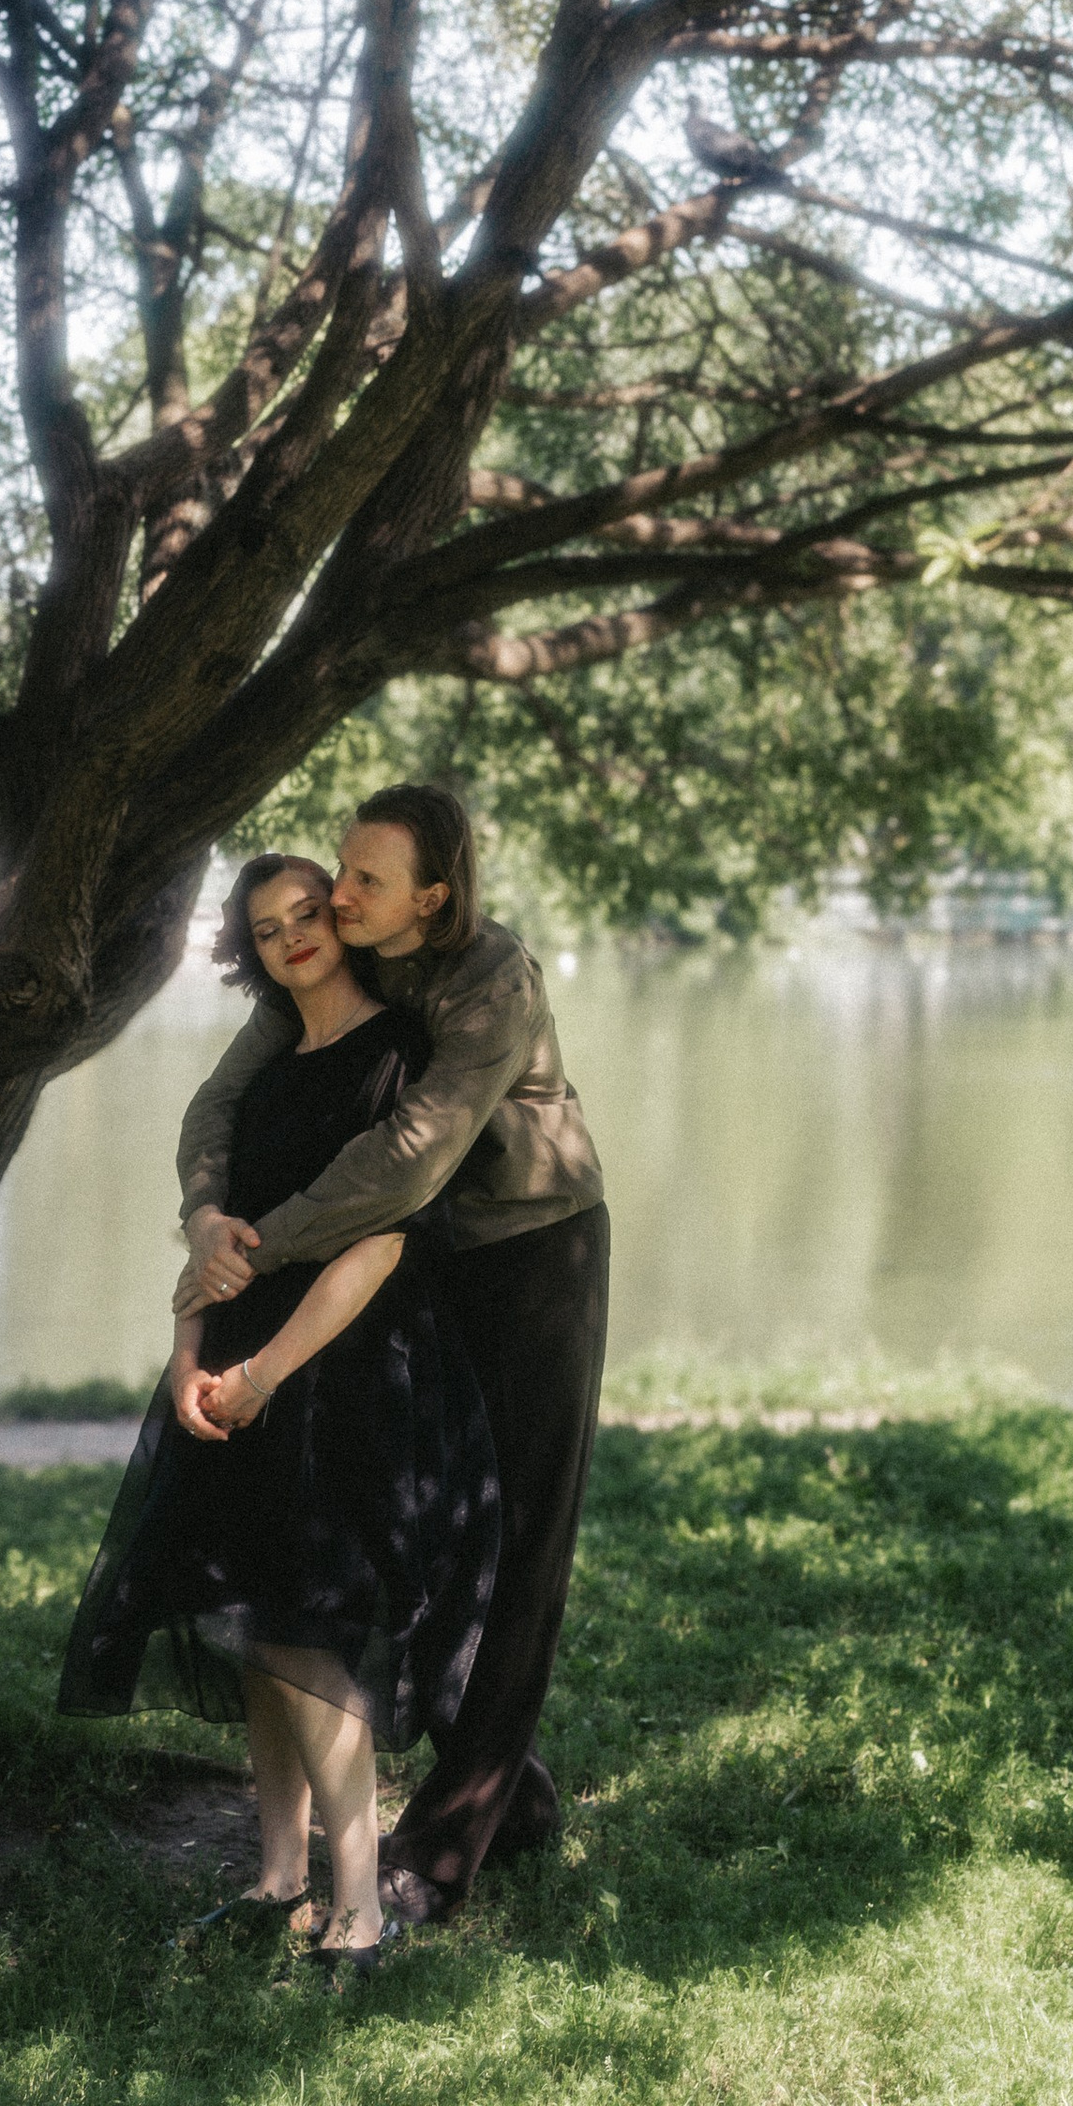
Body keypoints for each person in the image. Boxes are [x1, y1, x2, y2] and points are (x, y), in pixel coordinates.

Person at [58, 853, 501, 1984]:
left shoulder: (396, 1056)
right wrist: (188, 1356)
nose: (295, 937)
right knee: (259, 1629)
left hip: (345, 1370)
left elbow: (383, 1237)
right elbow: (222, 1239)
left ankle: (359, 1912)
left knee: (313, 1639)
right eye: (267, 929)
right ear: (248, 951)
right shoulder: (260, 1072)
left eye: (311, 914)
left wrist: (267, 1374)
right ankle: (274, 1880)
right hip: (243, 1365)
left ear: (343, 927)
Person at [173, 781, 609, 1929]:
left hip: (528, 1257)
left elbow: (409, 1160)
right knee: (426, 1523)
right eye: (340, 867)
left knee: (515, 1537)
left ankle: (447, 1848)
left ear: (433, 895)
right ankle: (505, 1788)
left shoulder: (491, 980)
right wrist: (206, 1220)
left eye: (367, 879)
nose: (337, 892)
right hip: (411, 1261)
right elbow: (217, 1107)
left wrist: (256, 1255)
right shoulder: (338, 954)